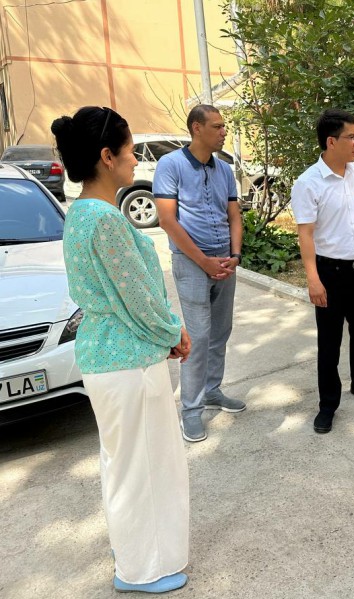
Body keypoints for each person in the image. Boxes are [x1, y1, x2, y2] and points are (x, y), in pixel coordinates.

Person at [52, 106, 191, 594]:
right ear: (107, 156)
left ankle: (132, 555)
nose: (136, 159)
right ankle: (142, 569)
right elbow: (137, 296)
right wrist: (173, 332)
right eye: (130, 150)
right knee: (145, 467)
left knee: (124, 463)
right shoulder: (105, 220)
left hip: (110, 356)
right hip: (127, 360)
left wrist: (162, 334)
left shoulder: (81, 214)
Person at [291, 108, 354, 434]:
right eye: (352, 137)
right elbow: (306, 234)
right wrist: (313, 279)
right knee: (329, 343)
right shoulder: (308, 183)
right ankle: (327, 405)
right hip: (329, 273)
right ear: (331, 142)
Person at [154, 104, 245, 443]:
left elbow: (234, 216)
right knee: (198, 336)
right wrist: (204, 261)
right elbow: (167, 220)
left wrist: (234, 256)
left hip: (225, 262)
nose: (224, 132)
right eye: (217, 126)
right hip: (192, 263)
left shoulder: (224, 169)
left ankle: (212, 391)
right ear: (196, 128)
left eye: (224, 126)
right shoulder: (171, 165)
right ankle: (191, 410)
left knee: (221, 331)